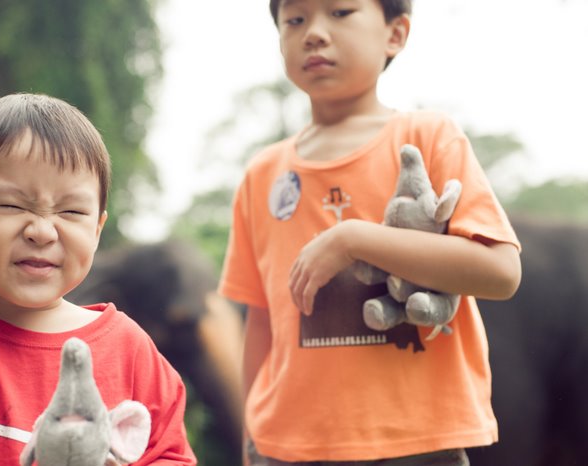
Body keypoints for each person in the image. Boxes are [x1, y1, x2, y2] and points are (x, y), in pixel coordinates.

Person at [218, 1, 522, 465]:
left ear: (395, 33)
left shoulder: (428, 137)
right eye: (295, 20)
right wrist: (249, 441)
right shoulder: (262, 174)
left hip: (418, 442)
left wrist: (353, 239)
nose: (314, 33)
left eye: (340, 12)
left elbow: (500, 272)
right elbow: (261, 319)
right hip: (286, 446)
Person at [0, 93, 197, 465]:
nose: (42, 231)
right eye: (11, 205)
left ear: (97, 230)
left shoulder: (131, 351)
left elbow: (170, 455)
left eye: (70, 210)